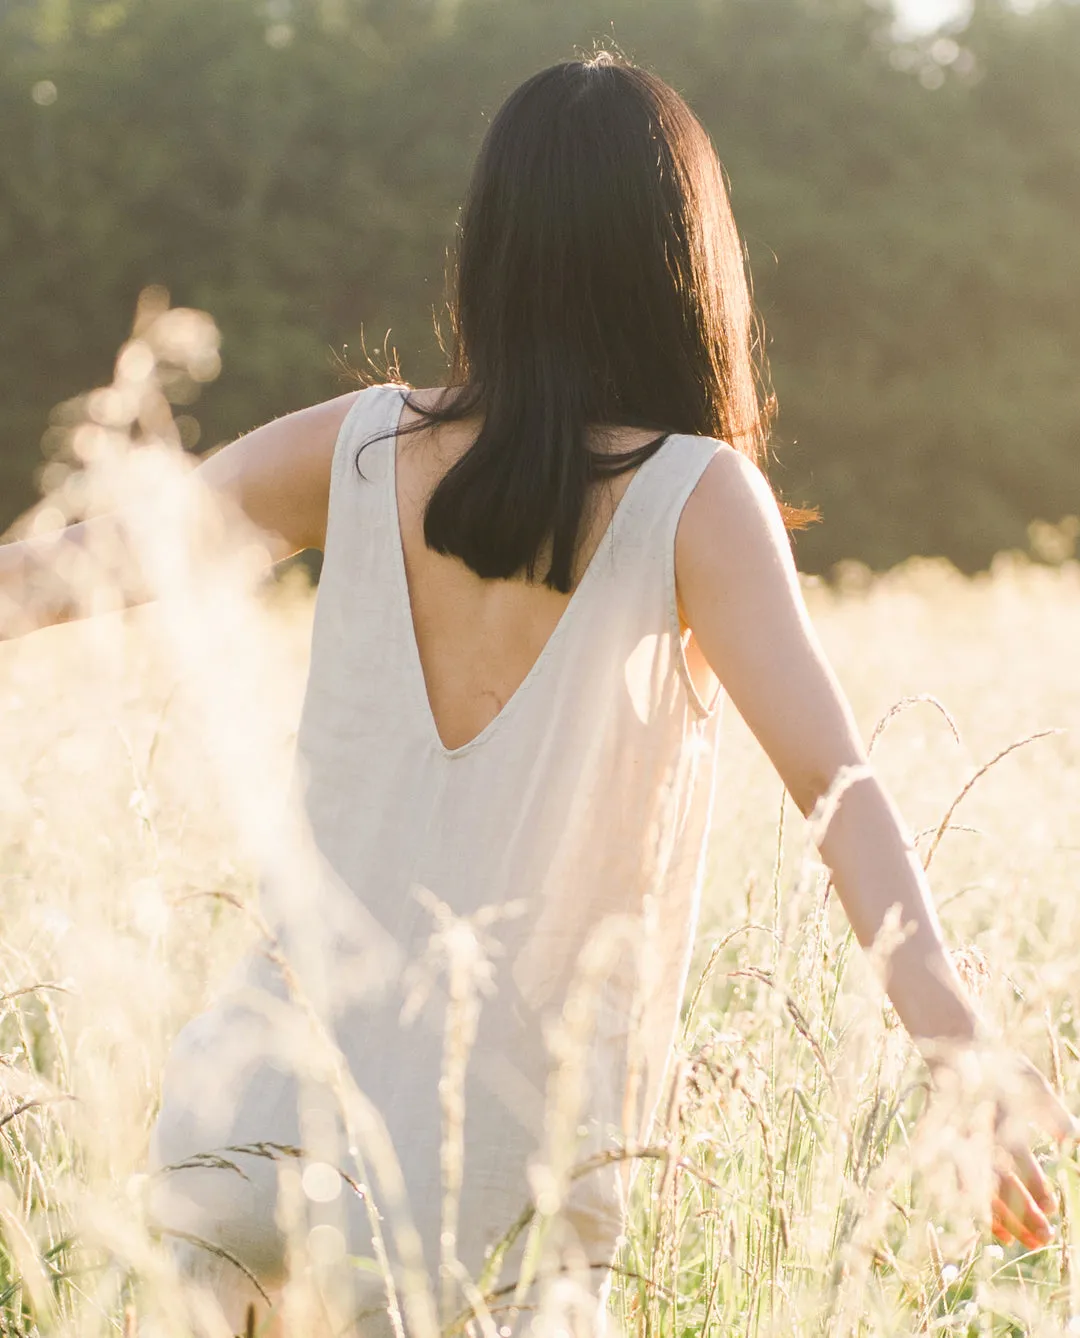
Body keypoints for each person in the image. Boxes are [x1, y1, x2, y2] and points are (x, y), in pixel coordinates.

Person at [0, 51, 1073, 1338]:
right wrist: (958, 1045)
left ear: (491, 253)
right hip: (491, 1195)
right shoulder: (696, 496)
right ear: (690, 268)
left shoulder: (359, 442)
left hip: (250, 1140)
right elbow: (841, 790)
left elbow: (72, 568)